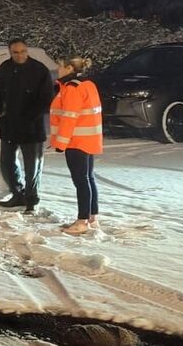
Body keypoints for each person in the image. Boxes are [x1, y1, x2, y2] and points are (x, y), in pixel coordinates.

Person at [0, 38, 53, 214]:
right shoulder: (4, 68)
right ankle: (17, 194)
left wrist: (30, 117)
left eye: (23, 51)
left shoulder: (39, 70)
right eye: (15, 52)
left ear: (27, 50)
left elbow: (46, 99)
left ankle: (32, 200)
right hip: (9, 126)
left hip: (32, 128)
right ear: (10, 52)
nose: (20, 55)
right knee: (6, 164)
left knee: (32, 167)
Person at [49, 56, 103, 235]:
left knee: (80, 180)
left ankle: (82, 221)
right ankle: (92, 216)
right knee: (88, 178)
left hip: (76, 140)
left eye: (60, 66)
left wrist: (61, 143)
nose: (58, 69)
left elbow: (69, 117)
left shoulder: (71, 88)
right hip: (89, 139)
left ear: (70, 68)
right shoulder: (87, 84)